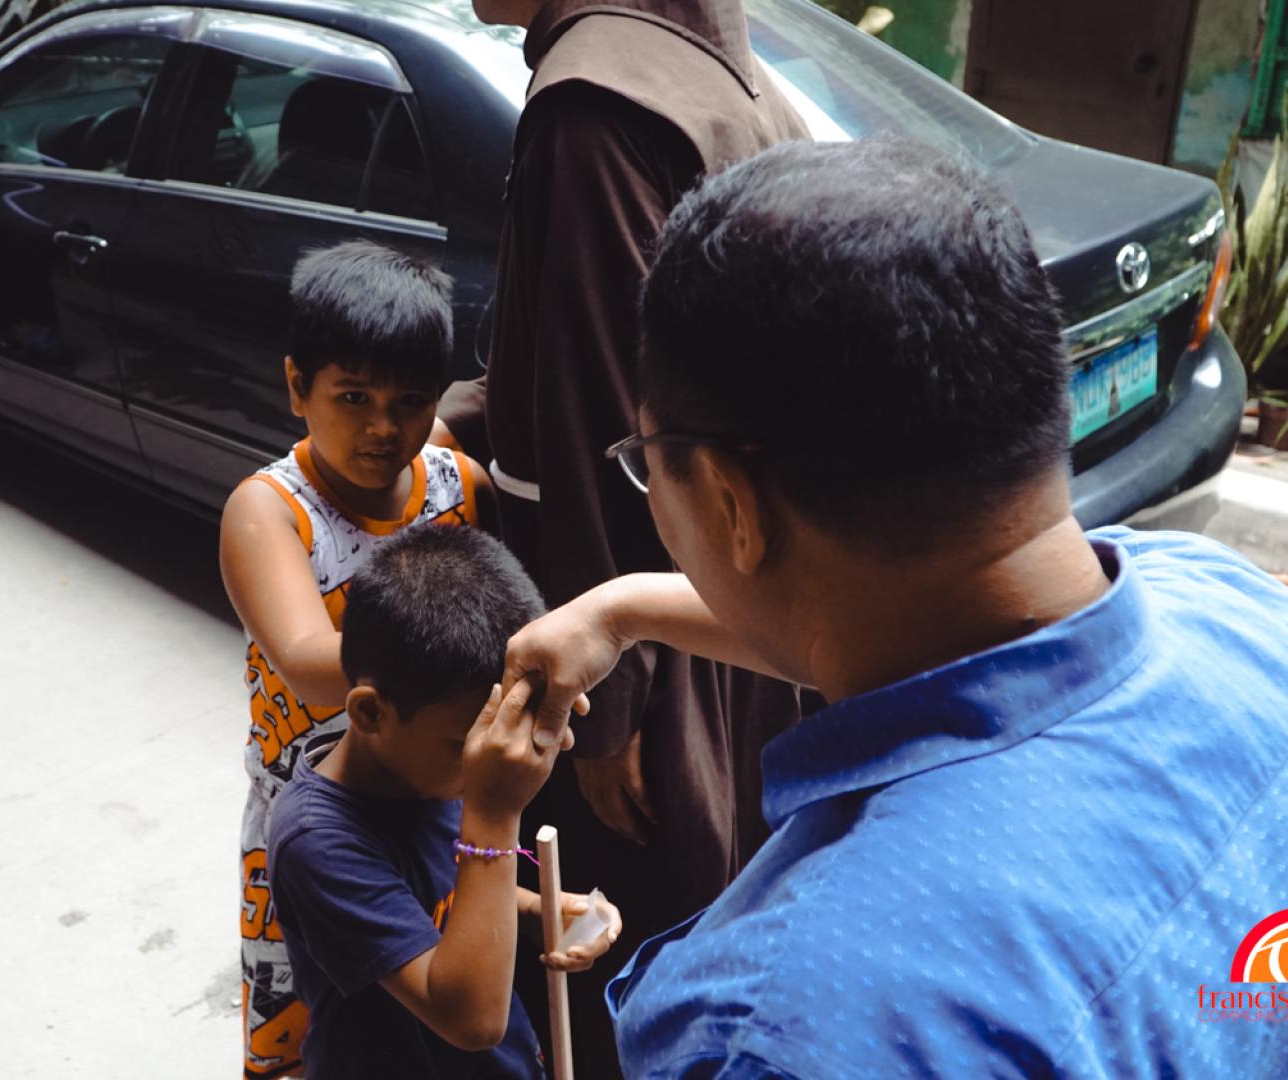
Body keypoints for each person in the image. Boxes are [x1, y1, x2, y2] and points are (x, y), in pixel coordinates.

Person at [502, 137, 1288, 1075]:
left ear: (729, 502)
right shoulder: (1244, 616)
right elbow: (906, 628)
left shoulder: (785, 1027)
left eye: (647, 465)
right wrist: (624, 609)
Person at [434, 1, 809, 1069]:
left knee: (618, 966)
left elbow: (603, 418)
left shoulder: (593, 104)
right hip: (720, 598)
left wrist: (607, 717)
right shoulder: (718, 69)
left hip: (637, 645)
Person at [221, 241, 500, 1078]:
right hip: (321, 817)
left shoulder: (459, 485)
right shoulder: (271, 511)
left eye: (409, 401)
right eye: (353, 397)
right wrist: (458, 652)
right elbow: (310, 664)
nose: (383, 427)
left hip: (430, 800)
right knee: (309, 1029)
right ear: (296, 386)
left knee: (419, 1012)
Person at [268, 524, 623, 1079]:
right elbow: (472, 1021)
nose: (490, 760)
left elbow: (437, 891)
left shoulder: (426, 768)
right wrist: (495, 813)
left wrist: (537, 909)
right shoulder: (316, 841)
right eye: (467, 746)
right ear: (370, 713)